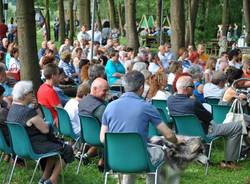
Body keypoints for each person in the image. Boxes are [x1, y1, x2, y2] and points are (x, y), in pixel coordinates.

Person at [100, 71, 181, 184]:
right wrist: (176, 142)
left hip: (114, 160)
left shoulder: (109, 106)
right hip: (140, 159)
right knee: (166, 152)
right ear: (142, 87)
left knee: (133, 152)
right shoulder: (146, 107)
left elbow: (103, 138)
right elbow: (168, 134)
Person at [167, 76, 242, 169]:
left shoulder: (170, 100)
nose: (194, 89)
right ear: (187, 89)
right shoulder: (192, 102)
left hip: (183, 133)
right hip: (204, 133)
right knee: (237, 126)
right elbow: (209, 117)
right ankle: (229, 162)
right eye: (193, 87)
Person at [7, 81, 74, 184]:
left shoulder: (12, 109)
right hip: (33, 147)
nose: (33, 94)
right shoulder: (28, 112)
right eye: (31, 92)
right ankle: (52, 180)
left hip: (18, 148)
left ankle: (44, 178)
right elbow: (45, 129)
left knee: (52, 146)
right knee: (67, 149)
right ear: (25, 95)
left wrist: (35, 107)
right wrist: (48, 123)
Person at [78, 77, 109, 169]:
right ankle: (104, 161)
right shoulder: (100, 108)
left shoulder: (82, 102)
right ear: (94, 89)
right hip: (100, 139)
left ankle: (98, 159)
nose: (106, 93)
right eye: (104, 91)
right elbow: (110, 125)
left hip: (86, 137)